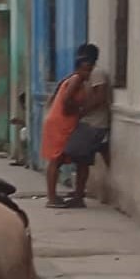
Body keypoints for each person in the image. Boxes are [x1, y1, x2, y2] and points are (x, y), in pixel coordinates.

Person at [41, 55, 94, 208]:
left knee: (60, 158)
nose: (87, 73)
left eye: (89, 70)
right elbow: (66, 100)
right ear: (78, 69)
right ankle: (52, 197)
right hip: (61, 122)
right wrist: (79, 109)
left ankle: (57, 196)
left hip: (62, 122)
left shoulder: (74, 79)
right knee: (56, 159)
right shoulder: (76, 79)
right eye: (85, 69)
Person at [64, 43, 112, 206]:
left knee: (80, 157)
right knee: (80, 158)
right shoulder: (88, 73)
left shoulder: (96, 73)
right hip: (89, 123)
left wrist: (82, 110)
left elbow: (100, 97)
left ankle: (79, 196)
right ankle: (79, 193)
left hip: (94, 123)